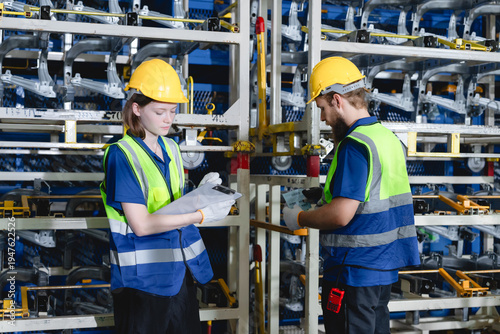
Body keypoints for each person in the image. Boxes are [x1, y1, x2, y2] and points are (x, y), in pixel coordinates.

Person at [283, 56, 420, 334]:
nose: (322, 117)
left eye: (322, 108)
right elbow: (375, 192)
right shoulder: (385, 137)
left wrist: (299, 217)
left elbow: (341, 215)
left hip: (354, 271)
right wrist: (326, 193)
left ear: (336, 99)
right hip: (382, 268)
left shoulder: (354, 145)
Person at [100, 58, 234, 334]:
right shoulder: (122, 155)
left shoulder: (172, 147)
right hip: (142, 286)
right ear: (136, 109)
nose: (168, 119)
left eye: (172, 111)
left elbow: (172, 207)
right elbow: (142, 224)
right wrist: (201, 215)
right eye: (160, 111)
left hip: (181, 276)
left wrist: (201, 195)